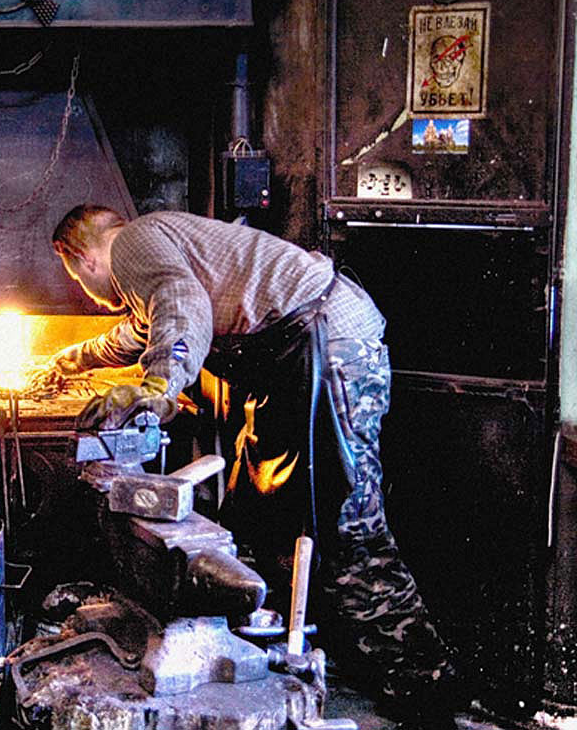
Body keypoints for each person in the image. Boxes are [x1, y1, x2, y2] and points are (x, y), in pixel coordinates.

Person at [45, 204, 461, 728]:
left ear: (81, 257)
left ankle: (426, 682)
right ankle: (302, 654)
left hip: (327, 344)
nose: (85, 290)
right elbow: (142, 328)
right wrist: (71, 360)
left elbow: (181, 304)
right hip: (302, 347)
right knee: (264, 510)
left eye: (76, 278)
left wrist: (159, 385)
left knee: (345, 520)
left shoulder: (132, 243)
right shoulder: (153, 252)